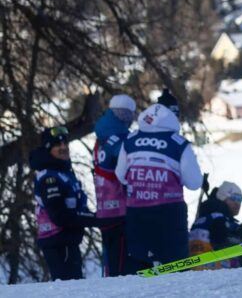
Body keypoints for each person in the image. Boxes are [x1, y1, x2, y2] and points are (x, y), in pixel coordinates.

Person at [115, 89, 203, 273]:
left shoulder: (131, 140)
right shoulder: (178, 143)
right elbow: (194, 182)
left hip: (136, 212)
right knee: (175, 266)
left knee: (139, 269)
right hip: (169, 214)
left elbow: (120, 175)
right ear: (174, 115)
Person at [31, 126, 116, 280]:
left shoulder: (61, 170)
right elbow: (61, 217)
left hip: (67, 240)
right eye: (57, 145)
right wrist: (97, 219)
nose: (63, 148)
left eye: (65, 144)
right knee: (68, 289)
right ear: (48, 149)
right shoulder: (49, 177)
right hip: (58, 242)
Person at [92, 94, 136, 276]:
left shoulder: (101, 135)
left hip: (104, 208)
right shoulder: (117, 137)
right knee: (122, 269)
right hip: (120, 209)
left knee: (111, 264)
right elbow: (127, 159)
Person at [189, 181, 242, 269]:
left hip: (206, 263)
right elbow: (223, 245)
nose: (237, 203)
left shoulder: (210, 215)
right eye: (233, 198)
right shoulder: (217, 217)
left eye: (240, 199)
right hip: (210, 266)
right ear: (222, 197)